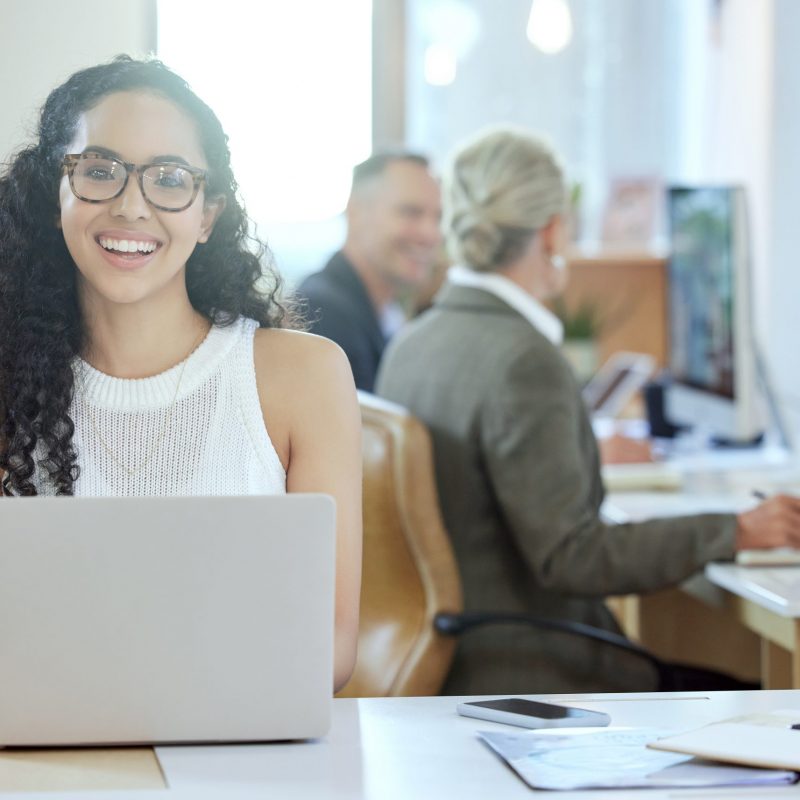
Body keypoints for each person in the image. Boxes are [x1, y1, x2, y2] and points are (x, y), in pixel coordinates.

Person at [376, 127, 800, 695]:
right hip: (531, 670)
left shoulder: (416, 339)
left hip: (451, 654)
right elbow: (571, 557)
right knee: (763, 699)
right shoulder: (523, 358)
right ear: (551, 230)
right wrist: (736, 530)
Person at [0, 56, 362, 693]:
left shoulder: (303, 378)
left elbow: (328, 648)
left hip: (239, 759)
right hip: (48, 763)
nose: (131, 206)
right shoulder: (9, 384)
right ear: (52, 197)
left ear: (207, 215)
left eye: (169, 179)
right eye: (99, 171)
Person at [297, 152, 442, 391]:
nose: (431, 234)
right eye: (411, 212)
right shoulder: (321, 314)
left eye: (438, 217)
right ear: (355, 213)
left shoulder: (385, 311)